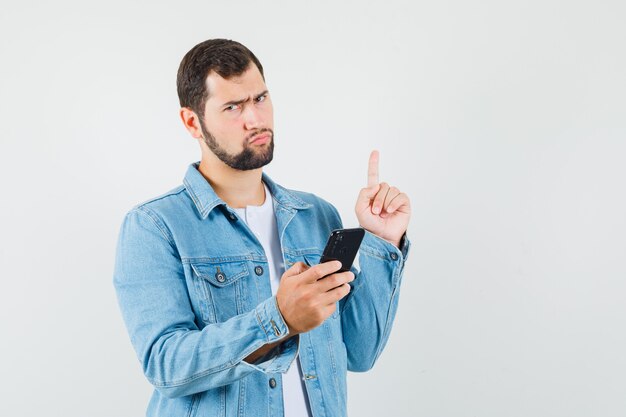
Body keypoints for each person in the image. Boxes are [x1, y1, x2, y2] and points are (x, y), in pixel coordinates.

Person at [113, 38, 411, 417]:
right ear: (193, 122)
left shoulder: (316, 216)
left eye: (260, 99)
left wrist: (382, 241)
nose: (255, 119)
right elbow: (166, 365)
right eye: (233, 107)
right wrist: (279, 320)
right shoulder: (155, 226)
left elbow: (360, 351)